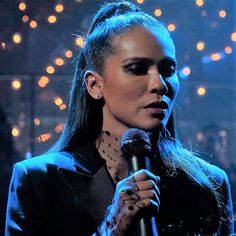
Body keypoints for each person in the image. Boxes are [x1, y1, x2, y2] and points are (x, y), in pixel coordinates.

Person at [5, 1, 234, 235]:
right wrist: (111, 228)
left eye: (168, 69)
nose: (159, 84)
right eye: (137, 68)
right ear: (94, 85)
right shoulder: (40, 182)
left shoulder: (209, 184)